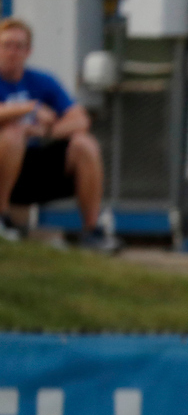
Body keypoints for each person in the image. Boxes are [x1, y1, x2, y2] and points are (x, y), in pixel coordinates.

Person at [0, 17, 110, 251]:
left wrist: (48, 130)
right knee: (12, 134)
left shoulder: (43, 81)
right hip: (4, 160)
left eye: (19, 46)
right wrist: (31, 109)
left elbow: (80, 119)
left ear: (28, 51)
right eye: (7, 45)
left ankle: (92, 231)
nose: (13, 52)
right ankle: (2, 219)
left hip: (34, 164)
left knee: (84, 144)